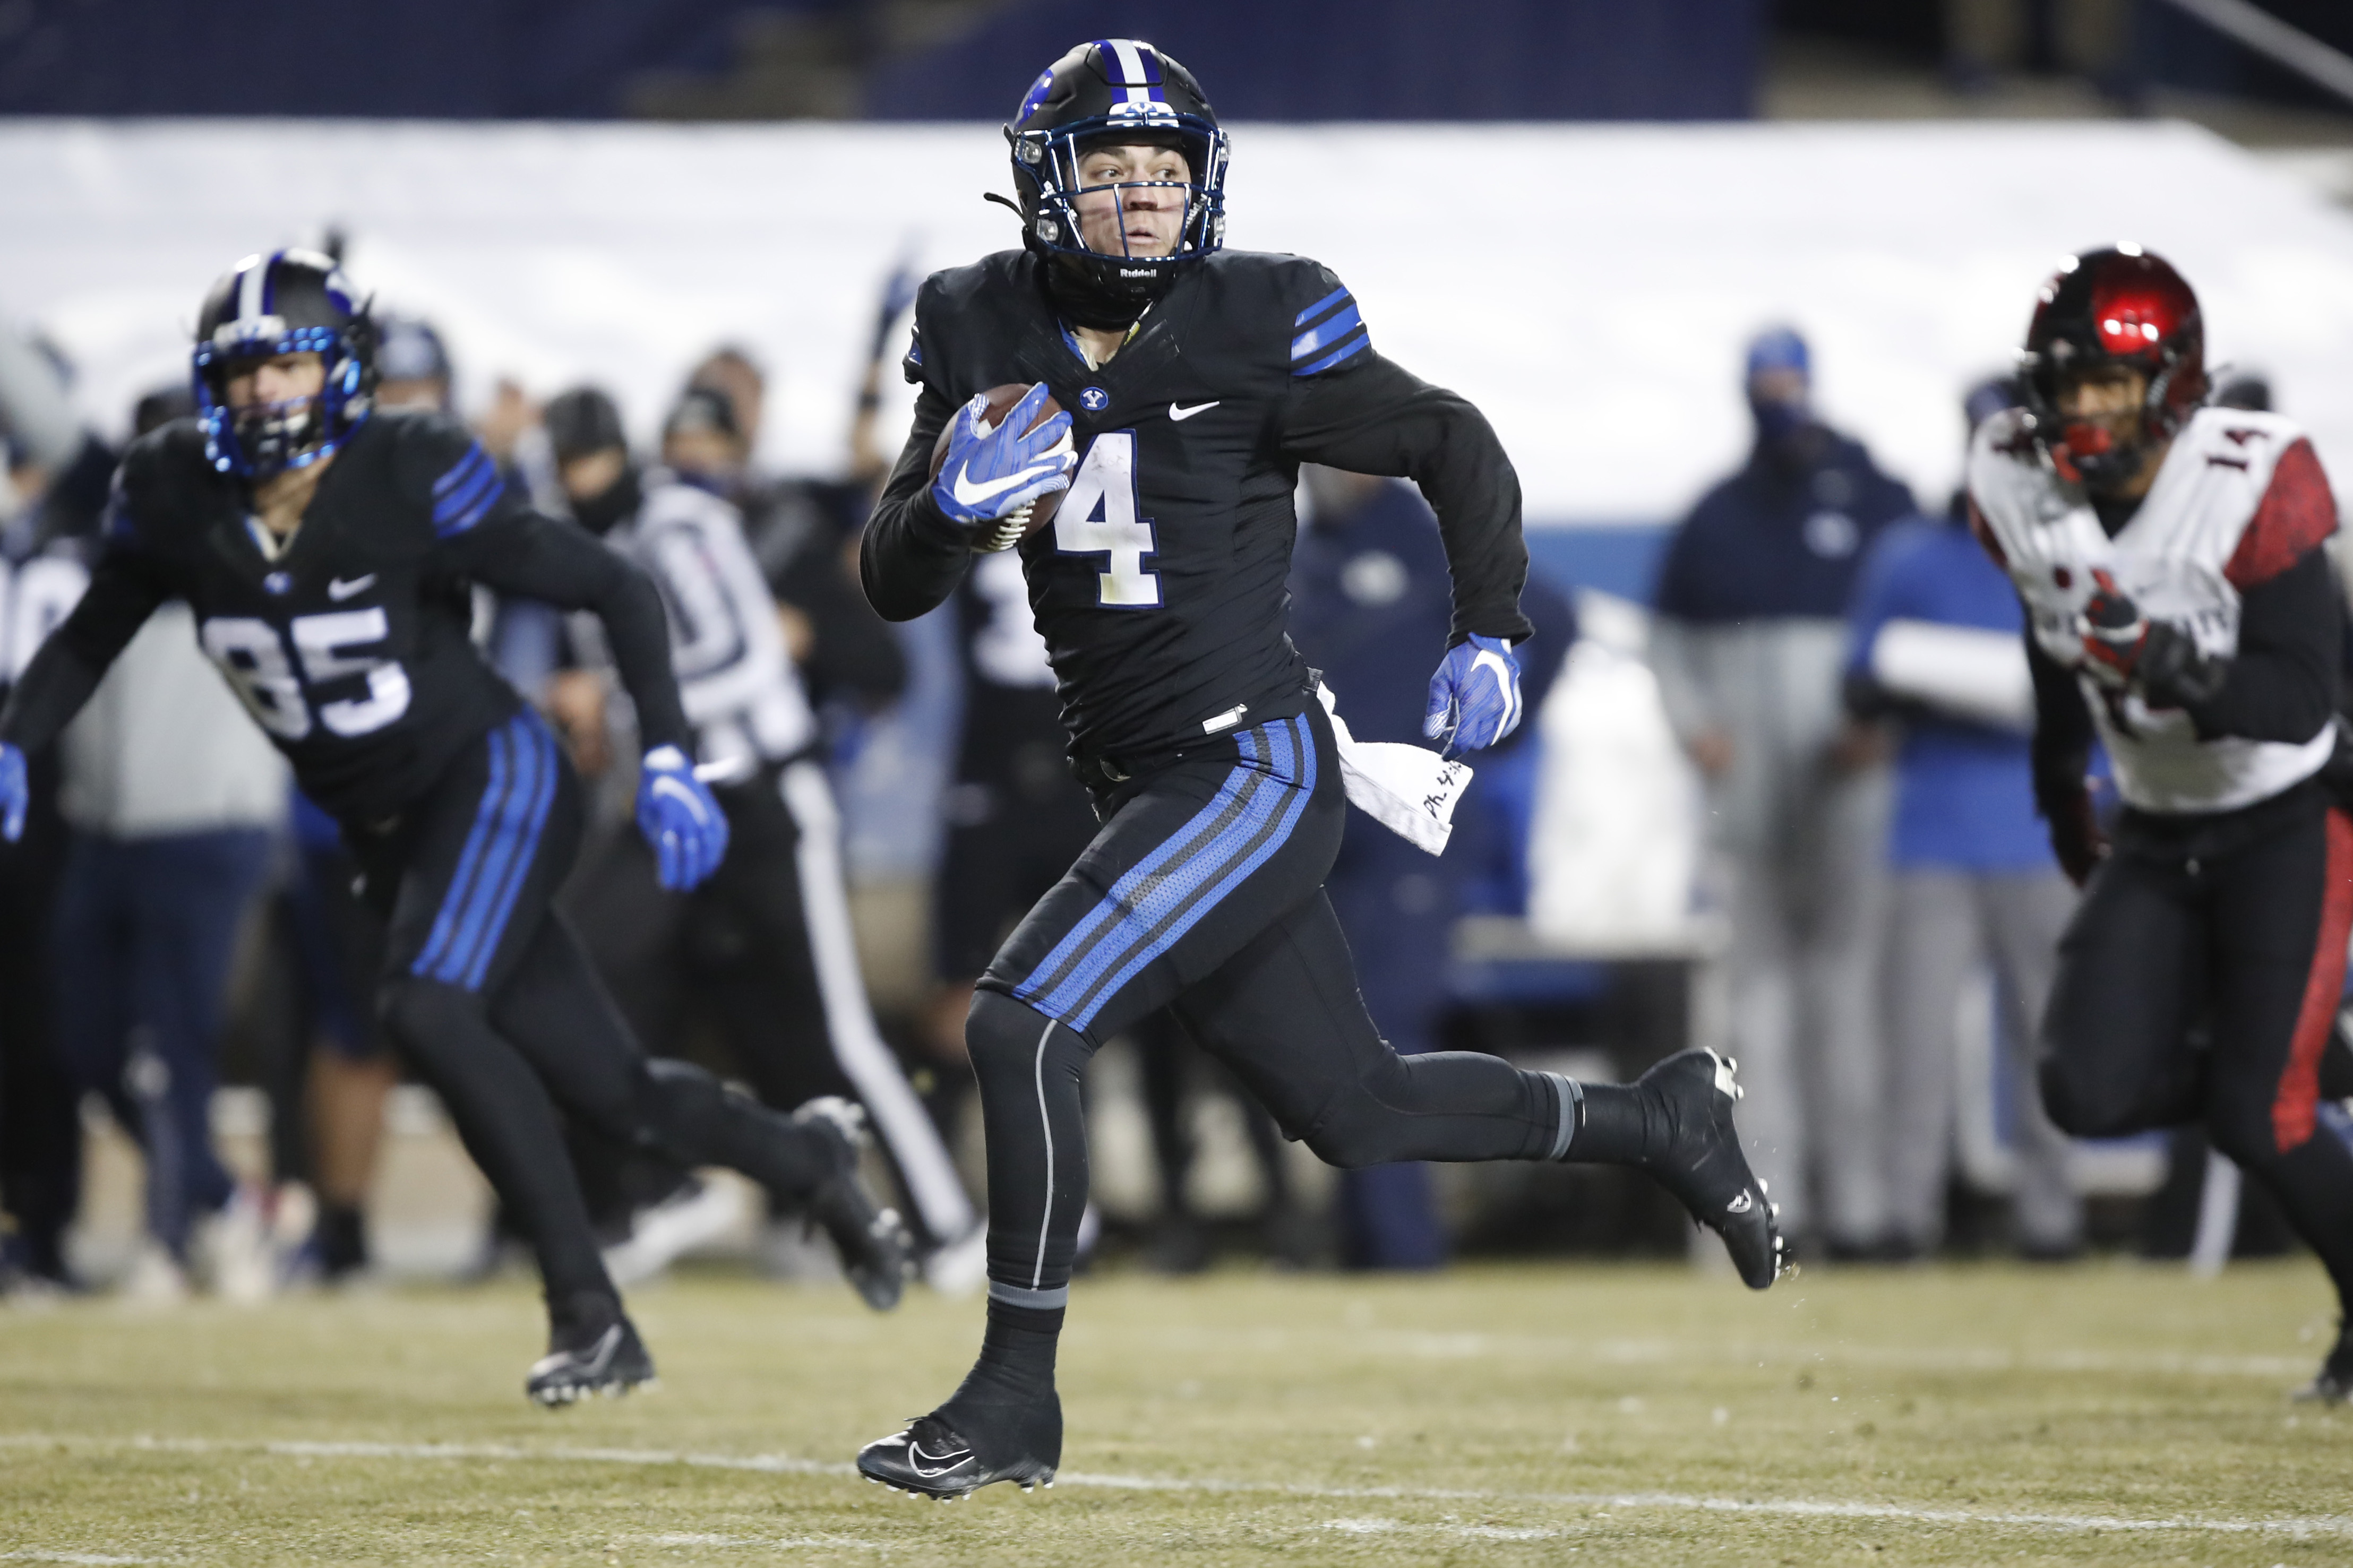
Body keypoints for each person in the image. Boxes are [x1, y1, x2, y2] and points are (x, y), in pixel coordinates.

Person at [851, 39, 1786, 1500]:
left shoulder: (1257, 314)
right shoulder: (974, 318)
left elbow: (1451, 441)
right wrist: (948, 518)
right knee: (1358, 1109)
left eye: (1167, 175)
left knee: (1021, 1025)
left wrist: (1494, 630)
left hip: (1250, 764)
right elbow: (892, 578)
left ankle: (1013, 1398)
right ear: (1048, 185)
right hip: (1138, 774)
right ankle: (1660, 1120)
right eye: (1113, 173)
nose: (1145, 202)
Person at [0, 250, 910, 1400]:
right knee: (611, 1088)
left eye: (286, 367)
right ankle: (807, 1156)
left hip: (494, 774)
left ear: (343, 375)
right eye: (238, 374)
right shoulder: (175, 493)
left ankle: (588, 1311)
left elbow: (614, 588)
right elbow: (90, 632)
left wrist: (667, 753)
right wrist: (17, 739)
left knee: (425, 1006)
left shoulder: (411, 469)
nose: (260, 397)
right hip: (392, 830)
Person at [1965, 246, 2353, 1400]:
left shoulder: (2248, 474)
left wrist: (2176, 666)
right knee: (2085, 1090)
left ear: (2173, 383)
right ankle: (2301, 1049)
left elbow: (2296, 702)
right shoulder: (2009, 473)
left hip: (2284, 810)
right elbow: (2050, 630)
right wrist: (2056, 778)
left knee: (2259, 1118)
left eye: (2108, 384)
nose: (2082, 407)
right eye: (2067, 382)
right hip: (2153, 816)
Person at [545, 384, 978, 1279]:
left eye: (590, 466)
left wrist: (620, 701)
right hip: (673, 804)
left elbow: (744, 656)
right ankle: (656, 1187)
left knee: (839, 1031)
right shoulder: (592, 542)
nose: (582, 485)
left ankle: (946, 1226)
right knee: (578, 971)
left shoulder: (681, 528)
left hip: (765, 798)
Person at [1650, 325, 1916, 1258]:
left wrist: (1883, 725)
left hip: (1849, 788)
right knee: (1758, 1002)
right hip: (1754, 793)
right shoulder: (1718, 513)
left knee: (1851, 997)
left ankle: (1870, 1204)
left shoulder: (1879, 503)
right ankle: (1777, 1199)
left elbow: (1915, 641)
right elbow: (1671, 641)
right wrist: (1696, 727)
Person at [1287, 466, 1576, 1270]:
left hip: (1410, 831)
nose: (1325, 474)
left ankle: (1405, 1249)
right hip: (1324, 834)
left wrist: (1483, 735)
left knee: (1390, 1031)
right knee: (1330, 1038)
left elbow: (1551, 618)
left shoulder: (1435, 543)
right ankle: (1362, 1243)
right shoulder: (1305, 554)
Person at [1843, 377, 2082, 1261]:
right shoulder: (1911, 554)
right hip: (1933, 830)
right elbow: (1859, 679)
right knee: (1913, 1040)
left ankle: (2051, 1217)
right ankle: (1907, 1215)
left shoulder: (2071, 547)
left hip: (2042, 824)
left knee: (2046, 1035)